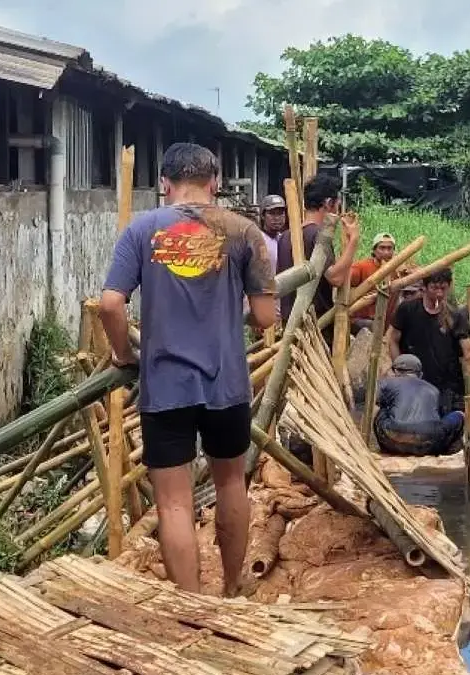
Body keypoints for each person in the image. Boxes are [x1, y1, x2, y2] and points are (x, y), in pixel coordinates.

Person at [98, 142, 277, 597]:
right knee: (232, 482)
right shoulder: (244, 232)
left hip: (165, 384)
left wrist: (123, 355)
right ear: (214, 183)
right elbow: (265, 318)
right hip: (227, 385)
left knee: (174, 503)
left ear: (164, 184)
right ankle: (233, 586)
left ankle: (192, 603)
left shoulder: (142, 230)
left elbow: (111, 303)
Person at [276, 174, 360, 344]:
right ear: (329, 203)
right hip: (314, 327)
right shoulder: (318, 236)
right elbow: (335, 277)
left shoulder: (285, 236)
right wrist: (353, 241)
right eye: (337, 204)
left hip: (290, 324)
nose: (338, 209)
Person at [388, 268, 470, 414]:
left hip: (446, 383)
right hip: (415, 378)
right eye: (434, 288)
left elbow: (467, 352)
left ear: (449, 287)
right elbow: (393, 339)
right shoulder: (408, 310)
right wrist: (400, 367)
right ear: (425, 287)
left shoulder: (455, 316)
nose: (439, 292)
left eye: (443, 288)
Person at [374, 355, 465, 456]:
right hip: (430, 439)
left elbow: (372, 400)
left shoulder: (387, 383)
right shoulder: (434, 389)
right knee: (459, 415)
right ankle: (448, 451)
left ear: (395, 371)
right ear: (420, 374)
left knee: (381, 411)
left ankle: (384, 450)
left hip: (394, 437)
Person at [349, 232, 399, 332]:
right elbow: (345, 283)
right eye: (382, 248)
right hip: (361, 319)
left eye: (389, 248)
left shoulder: (396, 270)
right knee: (373, 326)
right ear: (374, 250)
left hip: (384, 319)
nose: (386, 252)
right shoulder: (361, 267)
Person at [258, 194, 287, 272]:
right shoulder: (257, 239)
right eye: (272, 213)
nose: (277, 218)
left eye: (280, 213)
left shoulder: (284, 239)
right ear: (263, 216)